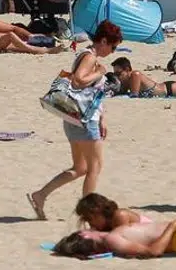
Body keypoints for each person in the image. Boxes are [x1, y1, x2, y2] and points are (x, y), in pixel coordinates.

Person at [27, 20, 122, 220]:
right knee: (94, 167)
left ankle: (40, 195)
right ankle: (89, 213)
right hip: (84, 119)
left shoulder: (88, 56)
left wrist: (103, 117)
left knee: (80, 168)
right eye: (113, 47)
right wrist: (100, 72)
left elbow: (93, 93)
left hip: (76, 118)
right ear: (103, 41)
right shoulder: (89, 56)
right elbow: (78, 80)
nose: (113, 51)